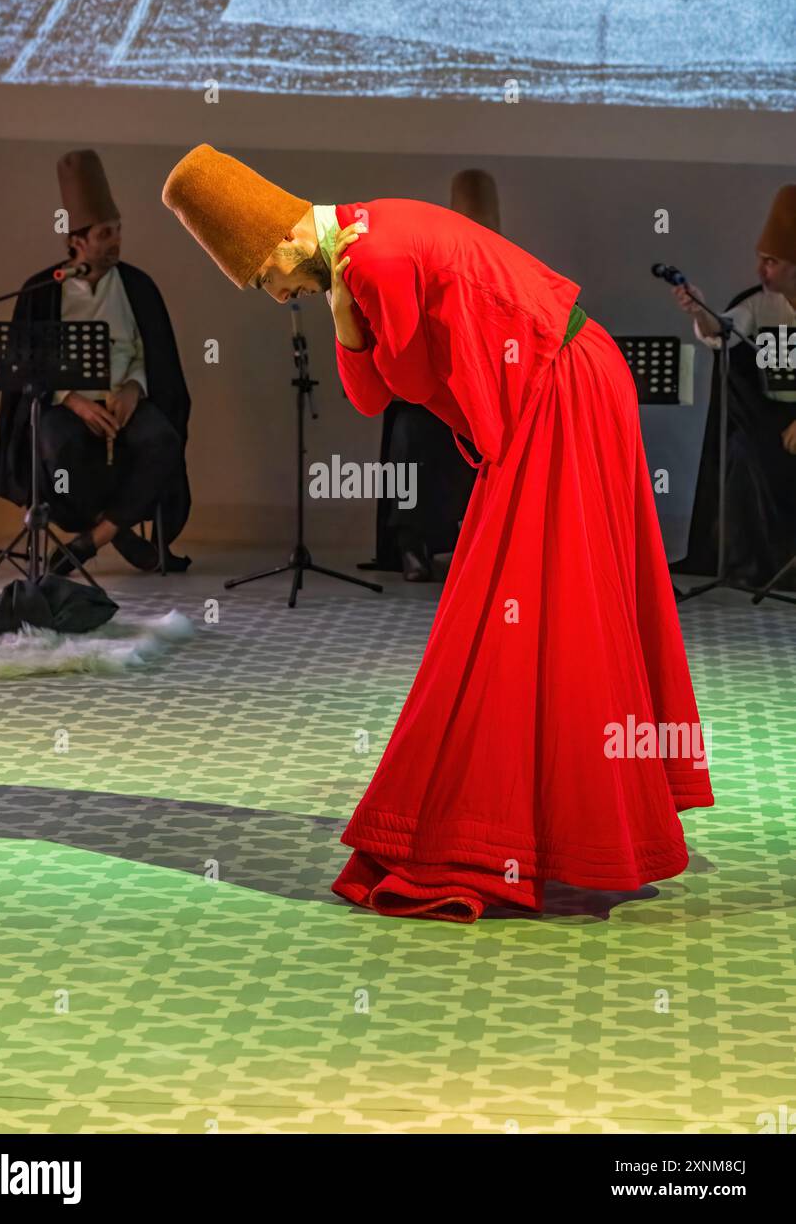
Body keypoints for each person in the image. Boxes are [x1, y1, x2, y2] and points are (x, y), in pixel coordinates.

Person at [162, 144, 714, 923]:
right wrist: (344, 316)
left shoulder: (373, 258)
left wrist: (347, 317)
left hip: (563, 383)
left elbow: (412, 386)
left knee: (518, 607)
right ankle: (561, 821)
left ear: (285, 244)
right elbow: (371, 395)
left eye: (264, 279)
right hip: (562, 384)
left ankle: (506, 832)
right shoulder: (359, 249)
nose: (274, 293)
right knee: (529, 606)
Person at [0, 149, 192, 574]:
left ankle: (90, 541)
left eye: (118, 230)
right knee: (56, 443)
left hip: (126, 399)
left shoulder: (137, 286)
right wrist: (73, 400)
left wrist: (134, 389)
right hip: (68, 403)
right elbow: (26, 367)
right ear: (76, 240)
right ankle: (116, 532)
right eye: (105, 233)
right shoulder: (43, 290)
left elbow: (150, 353)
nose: (116, 240)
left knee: (162, 441)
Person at [365, 170, 494, 582]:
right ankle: (411, 542)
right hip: (431, 396)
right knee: (412, 433)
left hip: (482, 400)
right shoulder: (426, 268)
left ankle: (483, 542)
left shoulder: (499, 276)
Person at [670, 184, 796, 588]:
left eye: (772, 262)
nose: (761, 271)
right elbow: (722, 332)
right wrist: (701, 310)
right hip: (771, 421)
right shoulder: (759, 304)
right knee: (742, 452)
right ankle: (751, 567)